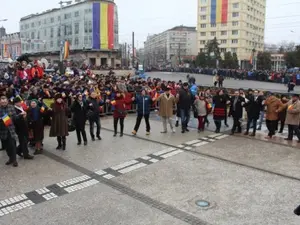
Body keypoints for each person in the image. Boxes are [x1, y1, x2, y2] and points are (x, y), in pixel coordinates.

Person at [0, 95, 24, 167]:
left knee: (12, 145)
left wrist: (20, 115)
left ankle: (14, 160)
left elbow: (15, 117)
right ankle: (10, 158)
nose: (3, 102)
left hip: (11, 130)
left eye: (5, 101)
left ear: (7, 101)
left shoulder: (11, 107)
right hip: (2, 131)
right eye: (2, 102)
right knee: (7, 147)